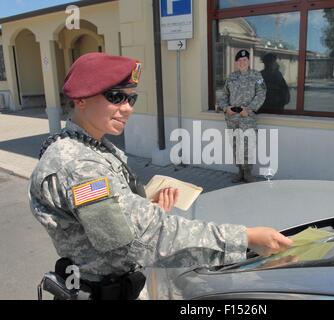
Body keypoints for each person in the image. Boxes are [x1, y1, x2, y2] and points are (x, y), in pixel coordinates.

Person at [28, 52, 291, 300]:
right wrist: (246, 239)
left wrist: (143, 205)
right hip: (105, 288)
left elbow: (115, 219)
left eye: (132, 99)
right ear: (81, 99)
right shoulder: (76, 164)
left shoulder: (91, 145)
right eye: (116, 97)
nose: (127, 108)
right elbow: (136, 240)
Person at [218, 49, 266, 183]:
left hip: (247, 118)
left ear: (249, 61)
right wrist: (226, 108)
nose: (242, 62)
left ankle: (248, 173)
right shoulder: (231, 77)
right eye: (239, 60)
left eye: (244, 60)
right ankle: (240, 171)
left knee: (248, 145)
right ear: (235, 63)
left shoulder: (256, 76)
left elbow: (261, 95)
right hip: (233, 118)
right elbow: (223, 96)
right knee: (236, 144)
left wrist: (249, 110)